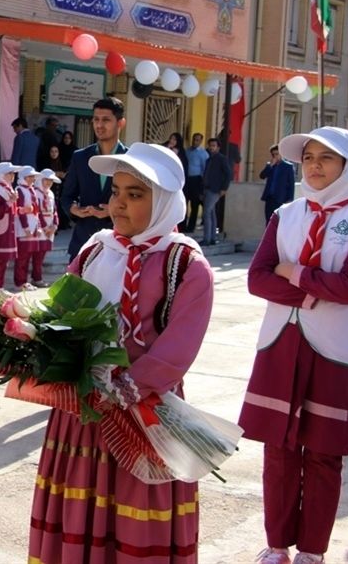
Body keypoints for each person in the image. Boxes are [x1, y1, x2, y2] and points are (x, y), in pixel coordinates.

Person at [29, 143, 214, 564]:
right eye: (115, 192)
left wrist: (124, 389)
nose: (119, 204)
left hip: (145, 415)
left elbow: (177, 349)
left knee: (134, 515)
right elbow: (59, 312)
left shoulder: (185, 265)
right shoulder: (95, 251)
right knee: (80, 505)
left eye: (135, 194)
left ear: (164, 201)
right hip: (82, 413)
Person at [238, 127, 348, 564]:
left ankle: (312, 551)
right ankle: (277, 545)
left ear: (347, 166)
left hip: (332, 350)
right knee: (278, 450)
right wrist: (311, 293)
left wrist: (295, 273)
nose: (315, 166)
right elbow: (257, 278)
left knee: (323, 453)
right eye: (309, 157)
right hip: (280, 342)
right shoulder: (286, 214)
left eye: (326, 158)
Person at [60, 97, 128, 260]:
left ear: (120, 123)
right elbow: (66, 197)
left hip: (118, 247)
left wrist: (112, 211)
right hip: (82, 245)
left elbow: (139, 204)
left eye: (106, 120)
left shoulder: (131, 159)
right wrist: (74, 209)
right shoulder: (80, 157)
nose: (99, 125)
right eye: (96, 119)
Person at [0, 162, 21, 290]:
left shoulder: (8, 188)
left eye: (13, 173)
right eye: (9, 173)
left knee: (4, 260)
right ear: (2, 175)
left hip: (8, 229)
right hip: (0, 230)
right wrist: (10, 202)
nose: (12, 176)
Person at [14, 166, 43, 291]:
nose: (33, 179)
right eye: (30, 176)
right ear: (24, 177)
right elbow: (20, 211)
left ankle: (25, 281)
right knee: (22, 258)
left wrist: (38, 226)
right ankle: (20, 282)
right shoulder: (19, 190)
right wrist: (26, 228)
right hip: (23, 230)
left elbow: (36, 211)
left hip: (32, 228)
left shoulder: (31, 190)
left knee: (28, 257)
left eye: (33, 177)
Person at [31, 169, 61, 289]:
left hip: (50, 228)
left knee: (42, 254)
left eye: (51, 180)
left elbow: (54, 211)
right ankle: (37, 278)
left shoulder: (51, 194)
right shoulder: (35, 193)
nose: (49, 182)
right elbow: (37, 212)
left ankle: (36, 277)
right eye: (46, 180)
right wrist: (44, 227)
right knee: (38, 255)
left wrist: (55, 225)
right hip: (40, 228)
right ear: (40, 180)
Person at [200, 137, 232, 246]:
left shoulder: (222, 159)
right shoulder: (209, 159)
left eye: (214, 146)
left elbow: (228, 174)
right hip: (207, 188)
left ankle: (207, 239)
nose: (211, 148)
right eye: (210, 146)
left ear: (218, 147)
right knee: (211, 213)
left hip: (215, 189)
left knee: (207, 212)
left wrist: (224, 188)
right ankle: (212, 238)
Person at [259, 144, 296, 224]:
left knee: (279, 222)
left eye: (277, 154)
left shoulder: (288, 166)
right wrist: (270, 166)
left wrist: (290, 200)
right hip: (269, 198)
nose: (275, 156)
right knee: (268, 221)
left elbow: (291, 185)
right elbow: (262, 176)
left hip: (281, 199)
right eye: (273, 154)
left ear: (281, 154)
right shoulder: (270, 165)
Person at [184, 133, 208, 233]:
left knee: (195, 204)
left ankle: (191, 227)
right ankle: (183, 225)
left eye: (198, 140)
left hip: (196, 180)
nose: (195, 141)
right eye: (194, 139)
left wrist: (202, 183)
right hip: (187, 179)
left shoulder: (203, 154)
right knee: (184, 202)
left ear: (201, 141)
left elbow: (204, 168)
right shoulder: (187, 151)